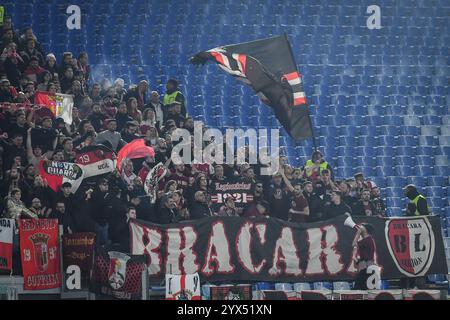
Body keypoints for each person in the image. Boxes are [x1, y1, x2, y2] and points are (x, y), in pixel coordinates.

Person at [352, 223, 377, 290]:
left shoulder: (367, 240)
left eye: (362, 226)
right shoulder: (368, 240)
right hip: (367, 268)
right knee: (366, 290)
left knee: (358, 289)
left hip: (367, 269)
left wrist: (358, 233)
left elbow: (354, 243)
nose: (360, 227)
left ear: (365, 230)